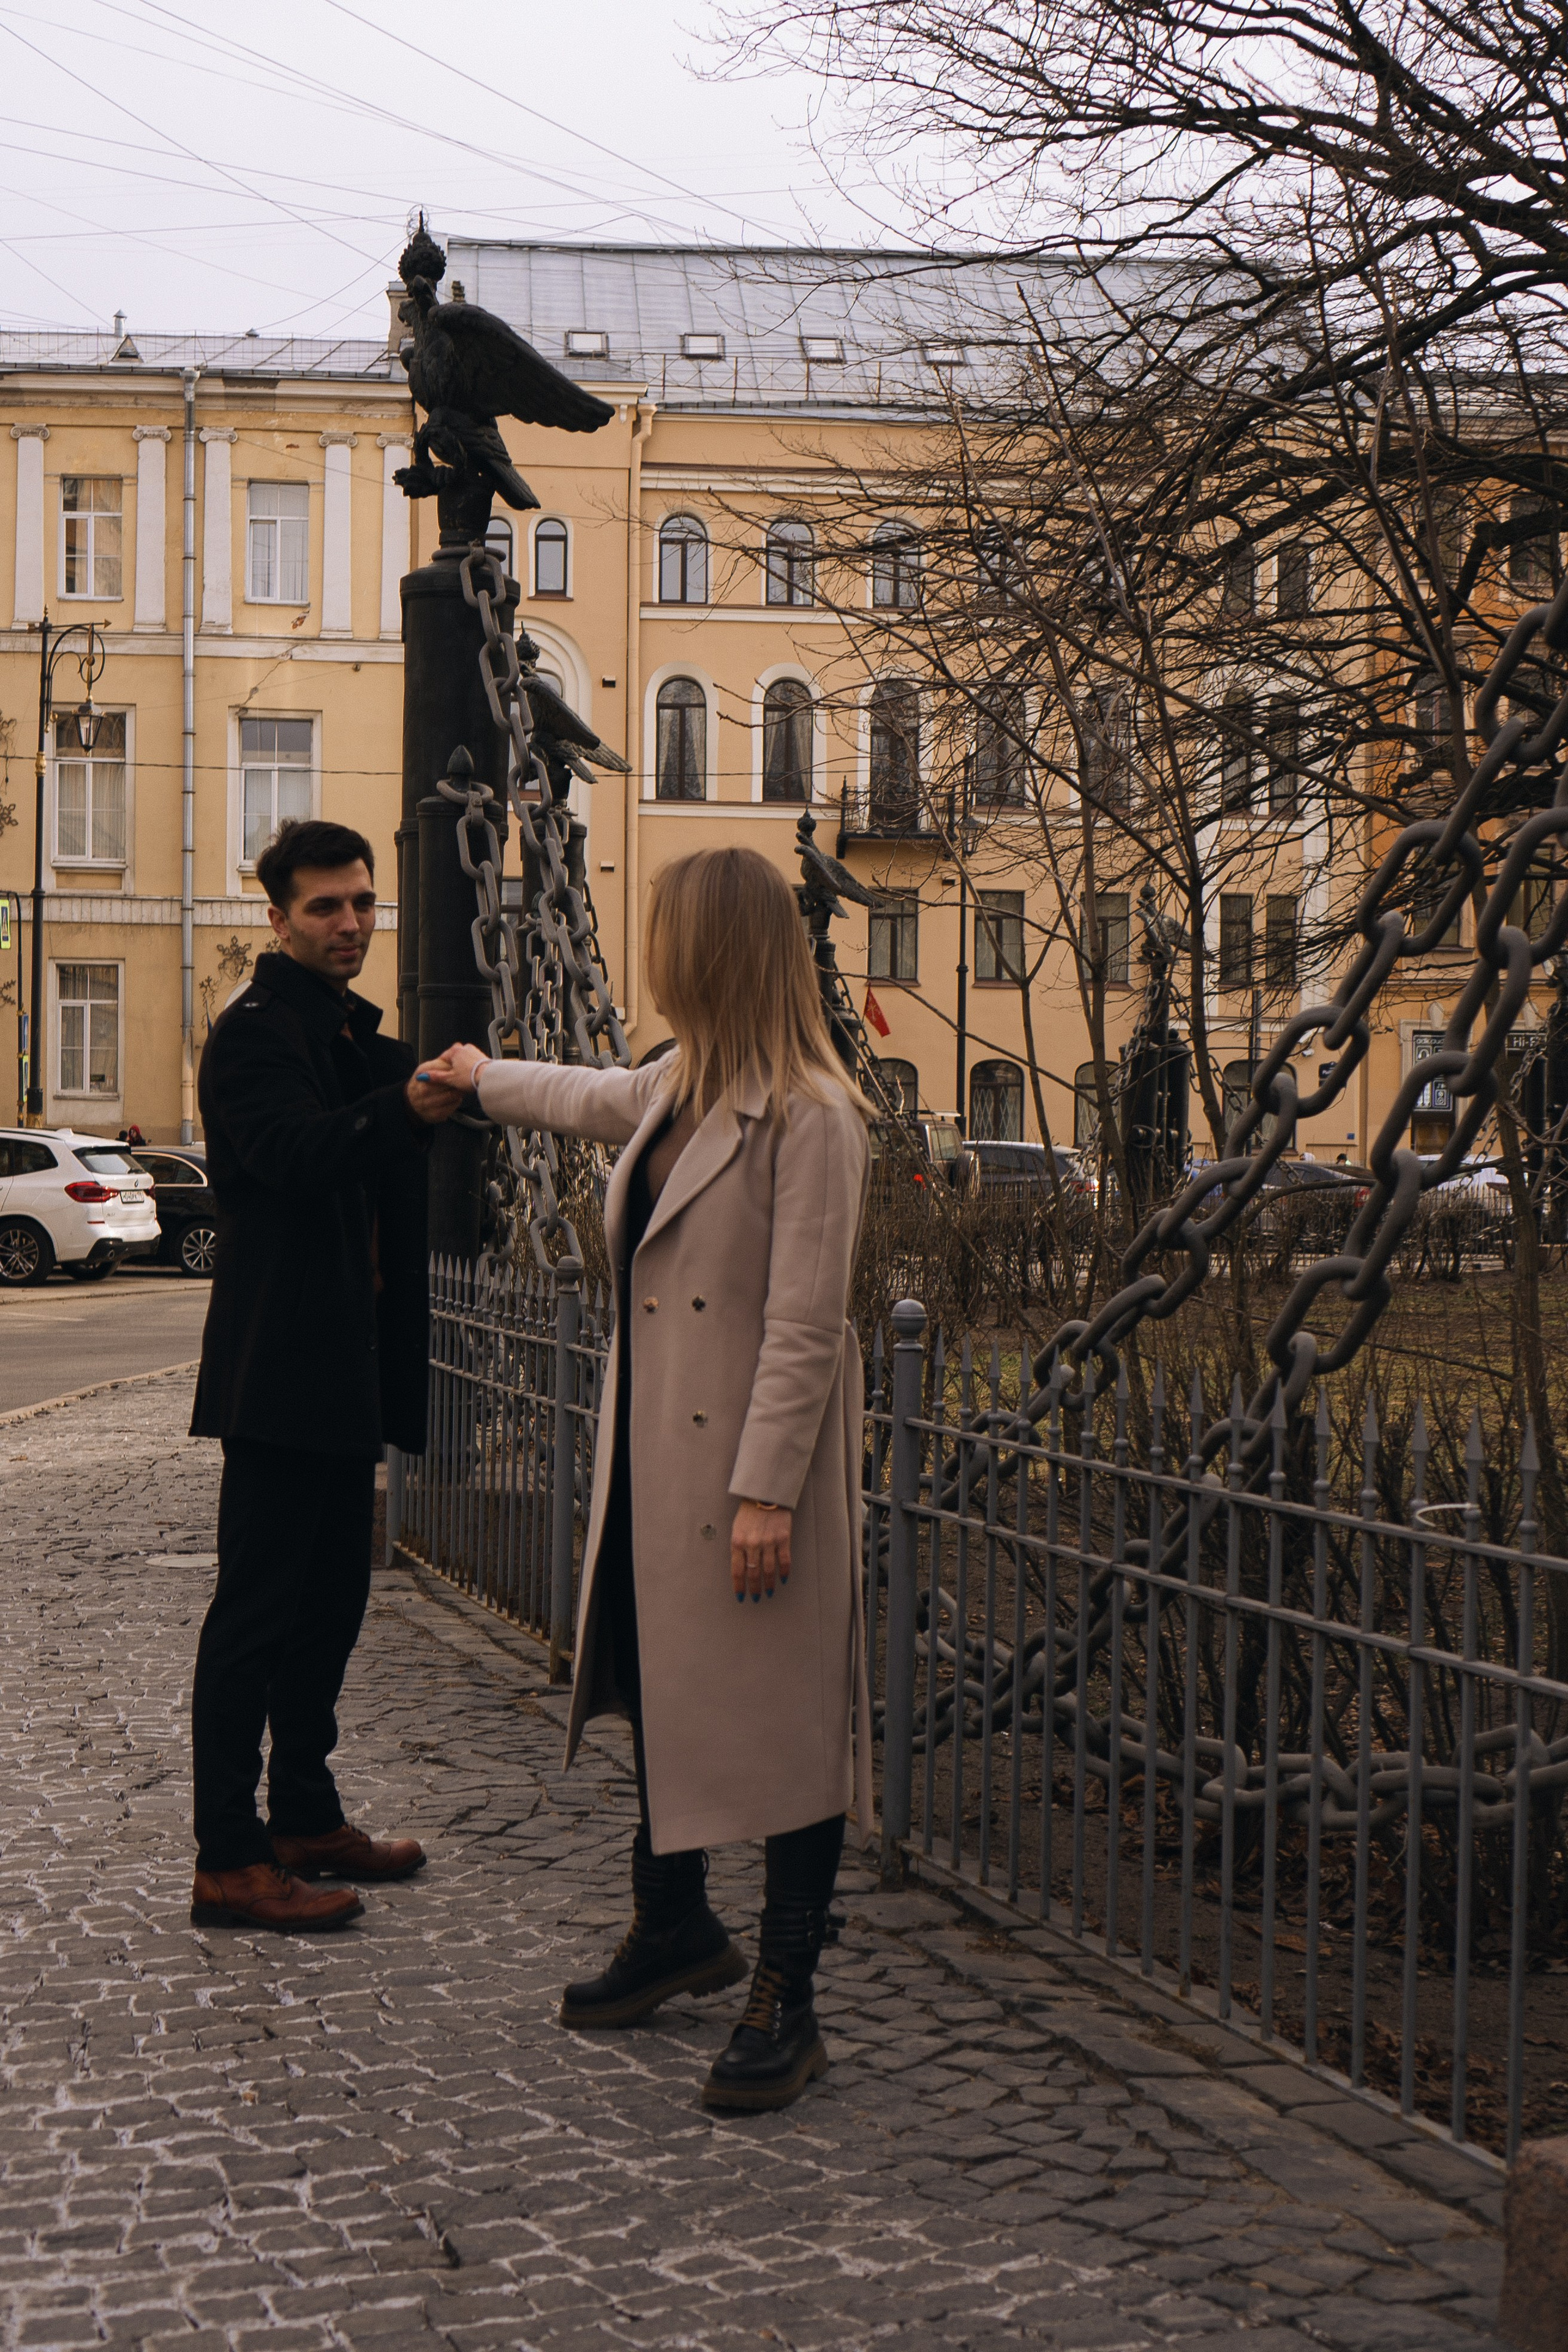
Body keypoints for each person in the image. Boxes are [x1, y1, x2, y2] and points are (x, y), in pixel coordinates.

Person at [426, 846, 873, 2113]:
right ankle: (672, 1926)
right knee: (660, 1684)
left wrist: (768, 1493)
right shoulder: (685, 1084)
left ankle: (787, 1995)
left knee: (786, 1728)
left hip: (748, 1480)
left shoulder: (813, 1116)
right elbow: (589, 1097)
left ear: (714, 949)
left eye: (668, 931)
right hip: (657, 1463)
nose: (652, 953)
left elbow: (805, 1325)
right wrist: (478, 1079)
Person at [187, 819, 465, 1934]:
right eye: (325, 907)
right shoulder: (254, 1037)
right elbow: (298, 1156)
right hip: (278, 1374)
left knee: (333, 1607)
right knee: (254, 1618)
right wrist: (400, 1109)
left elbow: (424, 1118)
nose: (351, 923)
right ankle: (228, 1857)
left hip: (347, 1372)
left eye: (362, 903)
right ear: (278, 916)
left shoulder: (357, 1035)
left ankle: (303, 1812)